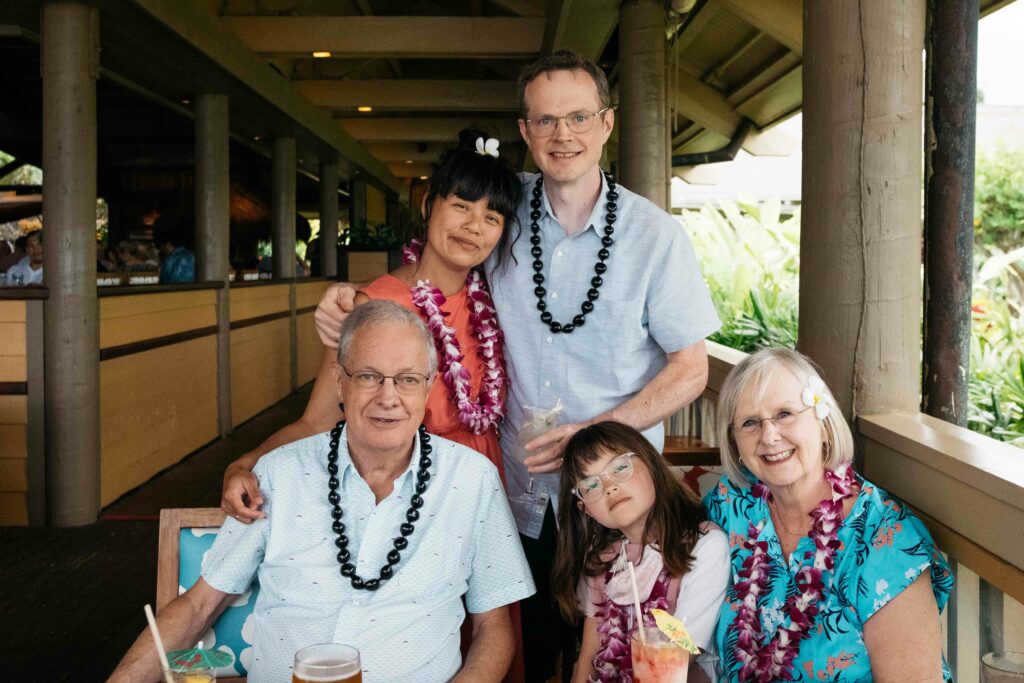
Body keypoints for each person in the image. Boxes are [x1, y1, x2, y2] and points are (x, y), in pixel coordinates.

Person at [309, 50, 721, 679]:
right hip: (512, 495)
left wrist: (595, 435)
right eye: (547, 121)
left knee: (619, 660)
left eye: (579, 118)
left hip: (615, 502)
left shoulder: (655, 235)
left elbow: (691, 369)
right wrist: (353, 299)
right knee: (511, 651)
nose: (564, 136)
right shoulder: (499, 211)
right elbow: (434, 264)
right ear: (525, 132)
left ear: (607, 124)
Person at [221, 128, 527, 681]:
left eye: (492, 217)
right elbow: (317, 419)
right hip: (404, 503)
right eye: (460, 206)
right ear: (430, 204)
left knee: (488, 640)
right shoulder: (377, 304)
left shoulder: (492, 297)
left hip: (474, 498)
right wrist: (245, 463)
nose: (473, 227)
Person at [111, 300, 535, 683]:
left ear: (427, 386)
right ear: (339, 381)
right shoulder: (279, 472)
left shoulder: (472, 479)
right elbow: (198, 606)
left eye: (406, 379)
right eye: (369, 376)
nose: (389, 398)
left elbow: (494, 629)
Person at [704, 348, 953, 681]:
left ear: (823, 423)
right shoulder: (732, 504)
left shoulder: (885, 542)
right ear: (734, 441)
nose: (769, 435)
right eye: (750, 422)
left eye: (785, 414)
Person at [552, 421, 729, 682]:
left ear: (651, 463)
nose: (609, 487)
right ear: (586, 509)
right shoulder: (601, 560)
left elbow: (678, 655)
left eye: (620, 467)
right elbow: (589, 657)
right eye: (591, 485)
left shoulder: (705, 546)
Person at [154, 216, 195, 284]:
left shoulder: (169, 261)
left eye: (161, 248)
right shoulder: (194, 255)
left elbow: (162, 287)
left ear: (168, 245)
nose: (162, 251)